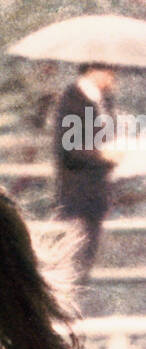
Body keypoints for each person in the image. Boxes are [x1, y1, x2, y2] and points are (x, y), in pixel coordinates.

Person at [53, 62, 119, 281]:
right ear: (93, 71)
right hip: (77, 191)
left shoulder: (104, 101)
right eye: (109, 72)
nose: (113, 78)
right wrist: (102, 156)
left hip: (97, 191)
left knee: (87, 254)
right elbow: (69, 147)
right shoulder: (71, 100)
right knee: (73, 256)